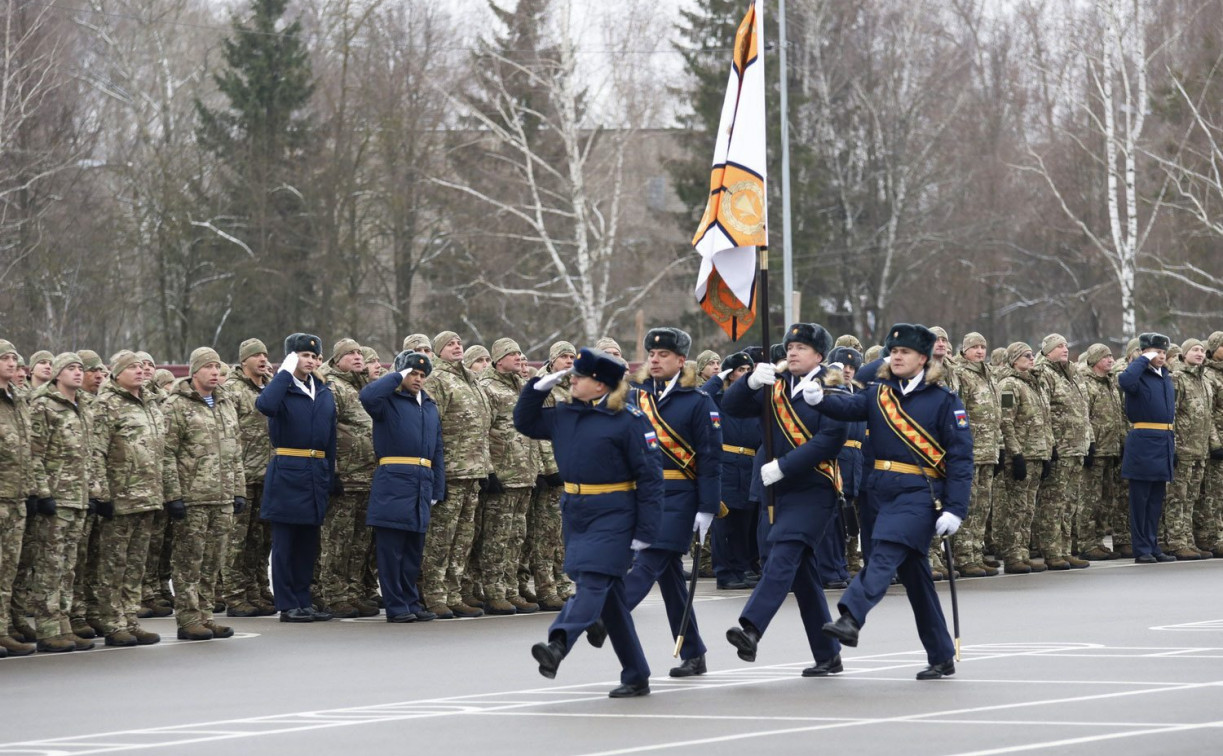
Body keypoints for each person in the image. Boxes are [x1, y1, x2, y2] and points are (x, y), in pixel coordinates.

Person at [810, 324, 972, 680]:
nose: (896, 357)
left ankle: (851, 617)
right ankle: (942, 654)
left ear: (923, 359)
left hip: (920, 494)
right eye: (893, 352)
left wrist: (956, 509)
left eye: (905, 353)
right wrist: (819, 397)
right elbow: (850, 406)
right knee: (916, 578)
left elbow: (961, 459)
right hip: (879, 492)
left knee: (882, 552)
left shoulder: (944, 401)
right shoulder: (880, 393)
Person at [514, 348, 662, 698]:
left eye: (579, 377)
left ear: (600, 385)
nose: (571, 380)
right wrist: (535, 388)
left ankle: (558, 643)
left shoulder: (629, 419)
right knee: (608, 597)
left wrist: (645, 531)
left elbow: (652, 479)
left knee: (593, 582)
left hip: (615, 511)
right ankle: (636, 673)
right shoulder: (565, 414)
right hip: (577, 509)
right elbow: (525, 422)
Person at [722, 323, 848, 677]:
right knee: (800, 572)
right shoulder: (776, 383)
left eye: (801, 348)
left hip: (813, 488)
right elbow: (730, 407)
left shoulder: (832, 385)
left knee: (782, 554)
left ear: (819, 356)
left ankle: (751, 628)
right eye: (790, 346)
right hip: (776, 490)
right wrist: (747, 384)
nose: (791, 353)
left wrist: (784, 466)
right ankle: (828, 655)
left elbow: (830, 439)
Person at [624, 327, 721, 678]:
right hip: (645, 495)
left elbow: (710, 459)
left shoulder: (697, 401)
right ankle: (694, 652)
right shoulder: (635, 396)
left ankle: (607, 614)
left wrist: (708, 506)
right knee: (670, 581)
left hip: (681, 497)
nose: (654, 359)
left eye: (663, 354)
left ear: (681, 361)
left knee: (647, 563)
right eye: (651, 353)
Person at [162, 347, 244, 641]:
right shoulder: (176, 405)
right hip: (193, 497)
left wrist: (238, 491)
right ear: (194, 371)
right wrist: (173, 495)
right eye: (208, 367)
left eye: (218, 368)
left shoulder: (225, 403)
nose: (215, 373)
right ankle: (187, 619)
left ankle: (206, 615)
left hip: (221, 497)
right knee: (189, 562)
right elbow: (166, 453)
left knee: (213, 562)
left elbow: (235, 451)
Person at [256, 334, 339, 621]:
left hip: (316, 472)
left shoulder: (323, 391)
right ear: (293, 357)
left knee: (308, 543)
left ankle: (303, 600)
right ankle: (287, 603)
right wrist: (284, 372)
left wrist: (331, 472)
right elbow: (265, 405)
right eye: (305, 355)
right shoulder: (282, 388)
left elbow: (330, 437)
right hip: (289, 470)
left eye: (315, 357)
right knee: (286, 543)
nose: (312, 361)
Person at [360, 351, 445, 623]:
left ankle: (411, 600)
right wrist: (397, 374)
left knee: (412, 550)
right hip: (394, 479)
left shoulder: (429, 406)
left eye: (421, 375)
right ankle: (396, 605)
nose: (418, 379)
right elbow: (367, 396)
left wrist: (437, 488)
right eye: (412, 374)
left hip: (421, 481)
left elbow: (438, 451)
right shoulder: (387, 402)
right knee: (391, 550)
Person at [87, 350, 165, 647]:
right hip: (119, 497)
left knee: (136, 565)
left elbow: (160, 451)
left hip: (147, 496)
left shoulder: (150, 402)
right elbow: (96, 451)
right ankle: (113, 622)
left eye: (141, 367)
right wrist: (101, 493)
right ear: (117, 373)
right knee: (113, 564)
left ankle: (131, 619)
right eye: (131, 367)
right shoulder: (107, 403)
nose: (140, 371)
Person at [420, 331, 493, 619]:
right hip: (450, 471)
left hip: (473, 471)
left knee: (463, 538)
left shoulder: (470, 379)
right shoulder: (436, 378)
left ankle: (453, 592)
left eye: (459, 343)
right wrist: (436, 471)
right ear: (438, 351)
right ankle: (433, 594)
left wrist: (485, 467)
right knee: (441, 537)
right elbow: (431, 426)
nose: (457, 346)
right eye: (450, 344)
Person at [27, 353, 95, 652]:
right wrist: (43, 493)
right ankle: (47, 627)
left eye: (81, 368)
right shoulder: (44, 405)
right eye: (71, 368)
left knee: (68, 567)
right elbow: (35, 453)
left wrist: (92, 491)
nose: (78, 373)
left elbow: (88, 454)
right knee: (50, 566)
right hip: (56, 496)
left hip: (78, 497)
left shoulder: (83, 407)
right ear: (56, 374)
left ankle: (63, 623)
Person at [478, 338, 541, 614]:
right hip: (503, 476)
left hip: (525, 474)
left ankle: (511, 588)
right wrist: (490, 470)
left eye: (520, 352)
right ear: (498, 359)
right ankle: (493, 591)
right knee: (497, 537)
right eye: (512, 353)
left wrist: (537, 468)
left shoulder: (521, 387)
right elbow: (481, 432)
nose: (519, 357)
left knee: (517, 536)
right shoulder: (488, 388)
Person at [319, 339, 377, 617]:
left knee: (361, 541)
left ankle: (354, 591)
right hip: (346, 475)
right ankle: (334, 593)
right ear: (337, 359)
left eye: (358, 353)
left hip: (368, 475)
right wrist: (333, 471)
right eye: (350, 354)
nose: (357, 357)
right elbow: (326, 430)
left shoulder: (363, 385)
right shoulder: (332, 386)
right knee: (338, 539)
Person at [223, 338, 276, 617]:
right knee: (237, 541)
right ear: (244, 361)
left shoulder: (270, 386)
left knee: (261, 540)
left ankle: (257, 589)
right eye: (257, 355)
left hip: (268, 475)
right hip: (244, 475)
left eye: (266, 354)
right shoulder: (231, 389)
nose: (263, 360)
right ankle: (235, 595)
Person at [698, 351, 759, 590]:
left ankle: (741, 568)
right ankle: (725, 572)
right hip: (727, 462)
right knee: (725, 522)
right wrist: (718, 377)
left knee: (745, 522)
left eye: (747, 371)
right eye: (740, 370)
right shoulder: (718, 397)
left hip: (750, 464)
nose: (744, 375)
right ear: (730, 374)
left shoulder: (753, 400)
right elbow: (701, 395)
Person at [1032, 334, 1093, 569]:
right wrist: (1051, 446)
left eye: (1066, 345)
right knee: (1053, 502)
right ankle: (1051, 550)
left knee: (1070, 502)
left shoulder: (1073, 373)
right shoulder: (1044, 373)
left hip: (1077, 446)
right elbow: (1043, 412)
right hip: (1060, 447)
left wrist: (1089, 441)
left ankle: (1065, 549)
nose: (1065, 349)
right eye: (1059, 346)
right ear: (1047, 351)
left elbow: (1082, 410)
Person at [995, 342, 1054, 574]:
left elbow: (1044, 420)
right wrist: (1015, 453)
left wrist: (1049, 450)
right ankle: (1012, 555)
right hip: (1022, 454)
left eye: (1032, 355)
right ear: (1014, 360)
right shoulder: (1009, 384)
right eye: (1026, 356)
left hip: (1038, 452)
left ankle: (1022, 552)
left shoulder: (1034, 384)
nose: (1032, 359)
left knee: (1029, 508)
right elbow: (1006, 421)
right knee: (1016, 508)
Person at [1119, 333, 1177, 563]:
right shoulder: (1137, 375)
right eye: (1156, 352)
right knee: (1140, 499)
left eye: (1163, 352)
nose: (1161, 356)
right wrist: (1143, 359)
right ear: (1145, 353)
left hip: (1164, 440)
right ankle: (1141, 548)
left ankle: (1152, 545)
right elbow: (1124, 381)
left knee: (1155, 499)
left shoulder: (1165, 377)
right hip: (1143, 441)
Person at [949, 333, 1002, 577]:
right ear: (965, 350)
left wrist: (998, 446)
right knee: (968, 504)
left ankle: (976, 553)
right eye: (975, 347)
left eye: (983, 347)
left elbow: (996, 413)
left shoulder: (988, 374)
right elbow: (958, 412)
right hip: (970, 449)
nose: (980, 351)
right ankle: (963, 556)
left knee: (983, 506)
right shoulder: (961, 374)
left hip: (988, 449)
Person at [1164, 339, 1218, 560]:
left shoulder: (1204, 379)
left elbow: (1209, 415)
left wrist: (1212, 443)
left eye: (1202, 350)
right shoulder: (1177, 379)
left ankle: (1188, 540)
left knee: (1192, 497)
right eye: (1195, 350)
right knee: (1177, 496)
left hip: (1200, 449)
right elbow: (1171, 414)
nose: (1200, 353)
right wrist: (1173, 446)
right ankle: (1176, 542)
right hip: (1183, 448)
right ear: (1184, 354)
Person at [0, 339, 36, 657]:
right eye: (5, 358)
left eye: (15, 358)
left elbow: (28, 451)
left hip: (16, 497)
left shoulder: (18, 400)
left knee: (8, 569)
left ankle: (4, 629)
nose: (12, 363)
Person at [1080, 344, 1128, 560]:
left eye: (1111, 356)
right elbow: (1085, 417)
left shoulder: (1111, 383)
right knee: (1090, 499)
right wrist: (1090, 444)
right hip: (1097, 449)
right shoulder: (1087, 384)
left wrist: (1122, 441)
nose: (1110, 359)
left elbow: (1119, 417)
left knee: (1105, 499)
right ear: (1094, 360)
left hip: (1112, 449)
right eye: (1105, 356)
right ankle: (1086, 542)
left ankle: (1098, 540)